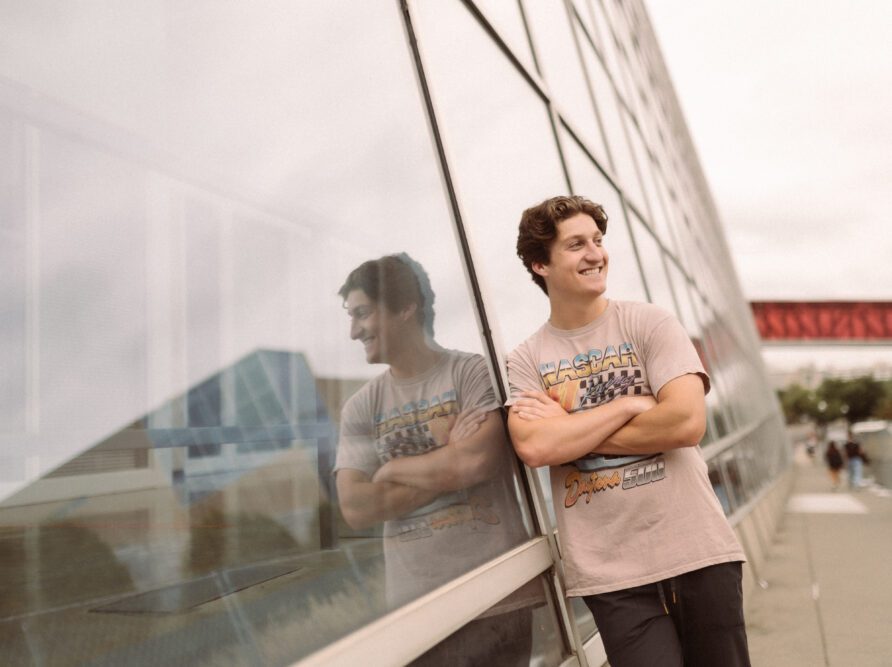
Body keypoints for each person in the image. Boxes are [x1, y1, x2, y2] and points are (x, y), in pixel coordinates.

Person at [505, 195, 750, 666]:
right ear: (540, 264)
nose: (596, 254)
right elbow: (536, 446)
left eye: (597, 241)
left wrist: (572, 430)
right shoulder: (526, 359)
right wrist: (634, 405)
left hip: (697, 550)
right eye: (576, 245)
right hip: (610, 570)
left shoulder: (649, 322)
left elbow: (684, 422)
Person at [333, 253, 536, 665]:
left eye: (362, 314)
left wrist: (391, 470)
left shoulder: (471, 374)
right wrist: (448, 460)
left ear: (406, 308)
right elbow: (356, 507)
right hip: (416, 617)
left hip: (496, 599)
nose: (354, 331)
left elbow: (476, 464)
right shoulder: (360, 408)